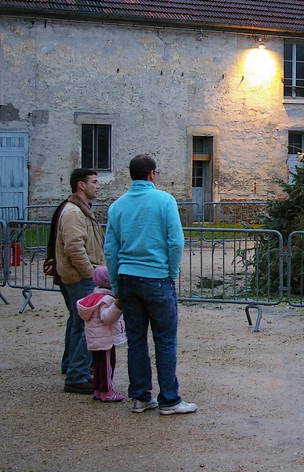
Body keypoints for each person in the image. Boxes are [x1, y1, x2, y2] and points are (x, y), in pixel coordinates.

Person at [105, 154, 197, 415]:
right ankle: (169, 399)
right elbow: (176, 242)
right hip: (156, 277)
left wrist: (115, 283)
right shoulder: (165, 200)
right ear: (152, 174)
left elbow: (110, 249)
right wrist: (171, 272)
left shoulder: (117, 206)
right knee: (165, 340)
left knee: (136, 340)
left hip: (127, 278)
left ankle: (140, 396)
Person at [57, 168, 104, 394]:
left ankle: (72, 366)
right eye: (94, 182)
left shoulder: (80, 210)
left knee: (78, 323)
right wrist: (90, 273)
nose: (98, 185)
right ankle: (77, 374)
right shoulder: (74, 212)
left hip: (79, 276)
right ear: (81, 185)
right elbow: (75, 247)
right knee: (90, 324)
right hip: (80, 278)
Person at [76, 266, 126, 402]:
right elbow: (107, 318)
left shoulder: (93, 297)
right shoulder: (107, 299)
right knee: (107, 365)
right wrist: (118, 306)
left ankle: (97, 389)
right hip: (106, 339)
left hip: (95, 339)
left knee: (97, 365)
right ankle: (107, 391)